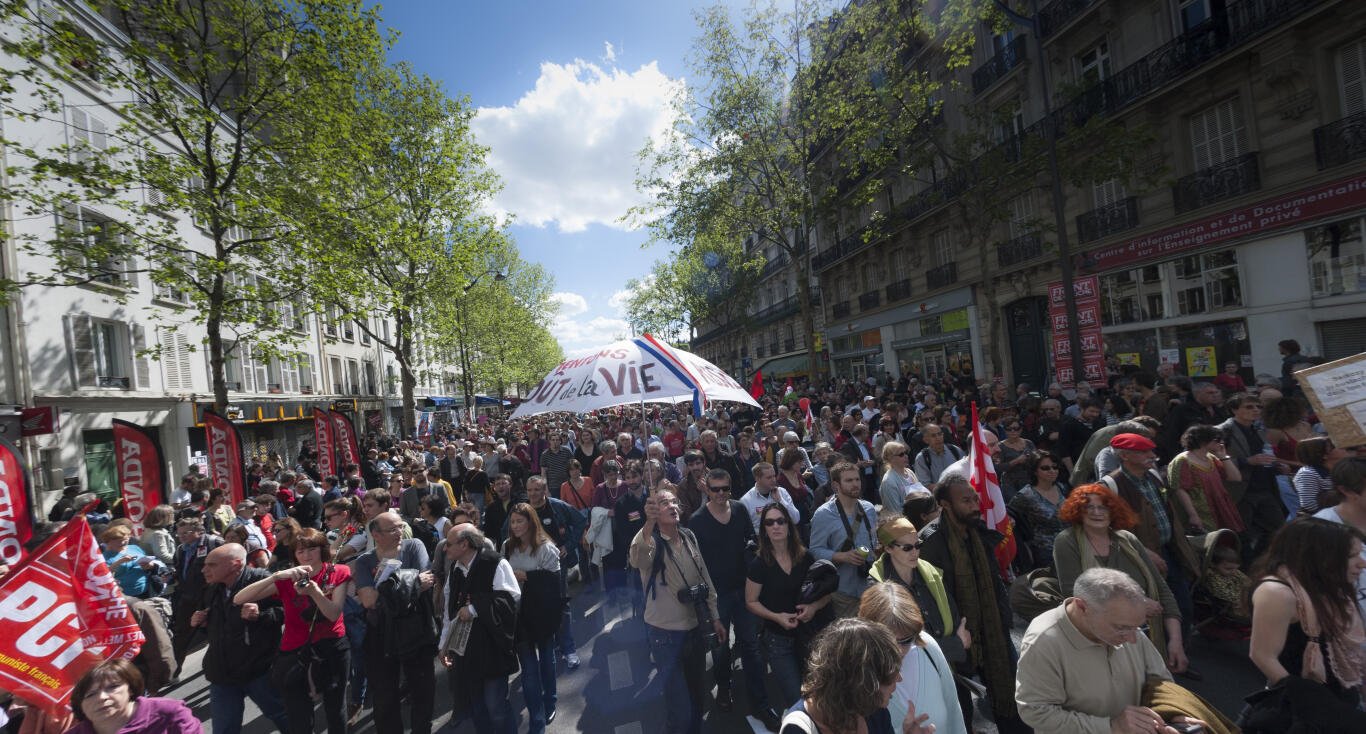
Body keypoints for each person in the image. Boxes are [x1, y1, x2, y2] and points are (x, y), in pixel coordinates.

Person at [1016, 568, 1203, 734]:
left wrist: (1171, 714)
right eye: (1121, 628)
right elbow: (1036, 712)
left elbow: (1159, 681)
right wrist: (1111, 727)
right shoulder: (1044, 641)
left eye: (1137, 627)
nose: (1132, 639)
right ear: (1082, 607)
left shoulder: (1127, 625)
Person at [917, 468, 1025, 733]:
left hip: (993, 631)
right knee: (960, 708)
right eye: (966, 501)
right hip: (956, 638)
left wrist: (1003, 617)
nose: (975, 505)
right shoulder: (929, 542)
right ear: (945, 504)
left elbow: (994, 581)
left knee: (1011, 697)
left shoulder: (979, 533)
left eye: (975, 499)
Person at [1053, 484, 1189, 675]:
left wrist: (1175, 642)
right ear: (1077, 512)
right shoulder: (1067, 541)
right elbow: (1074, 596)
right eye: (1088, 507)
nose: (1096, 512)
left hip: (1148, 640)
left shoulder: (1128, 540)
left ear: (1113, 511)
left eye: (1103, 507)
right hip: (1099, 644)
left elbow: (1162, 590)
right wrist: (1137, 605)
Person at [1247, 518, 1366, 729]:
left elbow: (1353, 654)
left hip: (1341, 702)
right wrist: (1317, 707)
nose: (1362, 562)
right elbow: (1263, 656)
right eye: (1352, 556)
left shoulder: (1330, 587)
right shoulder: (1278, 593)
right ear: (1320, 556)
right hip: (1301, 714)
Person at [234, 527, 351, 734]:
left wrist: (314, 591)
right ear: (294, 555)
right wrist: (275, 576)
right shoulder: (287, 578)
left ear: (322, 550)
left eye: (312, 549)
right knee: (298, 714)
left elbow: (333, 614)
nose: (307, 556)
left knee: (335, 707)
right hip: (295, 650)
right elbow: (239, 598)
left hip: (332, 646)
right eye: (300, 551)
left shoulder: (338, 572)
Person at [631, 488, 727, 734]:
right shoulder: (649, 539)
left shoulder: (688, 536)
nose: (672, 506)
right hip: (665, 635)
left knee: (697, 696)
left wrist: (715, 616)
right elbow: (639, 559)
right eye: (664, 503)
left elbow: (705, 577)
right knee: (679, 705)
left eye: (674, 502)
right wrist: (649, 523)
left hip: (695, 628)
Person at [687, 468, 772, 726]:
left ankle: (760, 701)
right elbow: (695, 562)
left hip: (745, 590)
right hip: (717, 596)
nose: (721, 494)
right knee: (721, 648)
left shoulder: (739, 510)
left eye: (725, 488)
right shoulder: (697, 520)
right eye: (715, 489)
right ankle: (724, 688)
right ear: (707, 490)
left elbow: (750, 539)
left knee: (751, 646)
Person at [353, 512, 436, 734]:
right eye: (393, 529)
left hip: (416, 630)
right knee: (385, 697)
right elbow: (368, 601)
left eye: (401, 526)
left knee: (422, 691)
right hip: (380, 634)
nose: (400, 532)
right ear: (376, 535)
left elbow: (427, 580)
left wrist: (385, 589)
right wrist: (411, 584)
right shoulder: (364, 561)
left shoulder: (414, 546)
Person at [779, 617, 935, 734]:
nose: (899, 678)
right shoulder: (797, 729)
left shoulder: (874, 711)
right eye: (888, 674)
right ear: (860, 683)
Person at [746, 501, 831, 713]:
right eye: (769, 522)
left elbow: (827, 595)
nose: (776, 526)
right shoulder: (759, 564)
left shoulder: (806, 557)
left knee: (819, 695)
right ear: (763, 529)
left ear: (788, 525)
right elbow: (751, 602)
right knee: (797, 700)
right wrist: (776, 617)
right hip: (778, 641)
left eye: (780, 521)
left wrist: (812, 608)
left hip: (809, 635)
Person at [194, 543, 288, 734]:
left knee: (284, 717)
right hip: (222, 674)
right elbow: (218, 627)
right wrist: (202, 623)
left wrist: (261, 615)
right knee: (223, 729)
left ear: (235, 565)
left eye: (211, 565)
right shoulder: (212, 589)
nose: (204, 570)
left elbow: (288, 612)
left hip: (259, 671)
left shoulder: (262, 581)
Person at [437, 523, 519, 734]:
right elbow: (449, 611)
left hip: (492, 650)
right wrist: (444, 644)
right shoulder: (455, 570)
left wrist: (475, 608)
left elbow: (510, 598)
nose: (445, 548)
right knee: (477, 707)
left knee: (496, 707)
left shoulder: (494, 563)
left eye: (449, 544)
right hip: (467, 653)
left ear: (464, 544)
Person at [859, 582, 966, 734]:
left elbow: (954, 710)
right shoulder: (858, 675)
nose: (899, 650)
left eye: (906, 640)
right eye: (890, 642)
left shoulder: (927, 647)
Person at [868, 516, 968, 670]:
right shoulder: (877, 586)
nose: (915, 552)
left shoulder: (930, 571)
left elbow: (953, 616)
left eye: (918, 545)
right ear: (888, 548)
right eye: (907, 548)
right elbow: (897, 647)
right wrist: (956, 644)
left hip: (946, 666)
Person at [809, 462, 879, 619]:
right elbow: (814, 550)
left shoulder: (868, 508)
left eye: (857, 479)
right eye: (849, 481)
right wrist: (842, 556)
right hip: (843, 592)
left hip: (871, 587)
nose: (855, 484)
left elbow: (873, 541)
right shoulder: (823, 514)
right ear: (836, 485)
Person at [64, 659, 198, 734]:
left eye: (112, 687)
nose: (102, 697)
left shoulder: (169, 712)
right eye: (91, 694)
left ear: (130, 688)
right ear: (79, 704)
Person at [169, 516, 224, 673]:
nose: (182, 537)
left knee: (216, 631)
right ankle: (174, 671)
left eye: (186, 533)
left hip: (212, 596)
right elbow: (179, 571)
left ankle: (219, 664)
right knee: (181, 634)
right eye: (179, 534)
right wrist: (171, 576)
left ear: (199, 531)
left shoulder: (214, 543)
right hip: (188, 597)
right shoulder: (181, 550)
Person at [1167, 424, 1244, 533]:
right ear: (1202, 440)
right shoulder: (1183, 460)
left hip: (1218, 507)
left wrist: (1223, 457)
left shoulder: (1211, 457)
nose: (1221, 443)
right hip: (1199, 511)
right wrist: (1193, 515)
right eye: (1217, 440)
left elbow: (1235, 477)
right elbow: (1180, 489)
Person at [1007, 451, 1070, 567]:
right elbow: (1009, 515)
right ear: (1035, 471)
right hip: (1045, 554)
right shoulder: (1026, 495)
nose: (1052, 471)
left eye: (1055, 467)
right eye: (1045, 468)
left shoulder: (1062, 487)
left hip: (1069, 547)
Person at [1294, 436, 1349, 515]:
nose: (1342, 447)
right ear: (1324, 455)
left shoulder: (1342, 468)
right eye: (1334, 446)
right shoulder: (1307, 473)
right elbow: (1309, 505)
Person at [740, 462, 800, 534]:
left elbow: (796, 519)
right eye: (769, 477)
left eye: (774, 476)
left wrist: (781, 501)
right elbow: (746, 530)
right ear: (757, 479)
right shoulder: (746, 501)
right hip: (762, 543)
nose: (774, 480)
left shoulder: (782, 492)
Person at [100, 525, 155, 599]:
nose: (123, 542)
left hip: (147, 589)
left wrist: (150, 565)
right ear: (108, 541)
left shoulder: (134, 548)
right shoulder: (104, 556)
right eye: (119, 541)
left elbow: (146, 559)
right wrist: (120, 561)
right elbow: (105, 574)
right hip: (126, 595)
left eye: (125, 539)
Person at [879, 441, 927, 520]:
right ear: (891, 458)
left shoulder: (909, 472)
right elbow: (895, 512)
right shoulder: (888, 482)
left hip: (920, 518)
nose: (906, 456)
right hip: (905, 525)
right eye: (901, 454)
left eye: (905, 453)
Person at [912, 424, 963, 491]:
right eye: (933, 436)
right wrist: (951, 489)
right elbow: (925, 485)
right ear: (925, 440)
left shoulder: (955, 450)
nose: (938, 438)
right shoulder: (922, 458)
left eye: (939, 434)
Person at [997, 419, 1036, 496]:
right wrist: (1016, 461)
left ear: (1021, 429)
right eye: (1009, 429)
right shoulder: (999, 447)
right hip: (1010, 484)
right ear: (1005, 430)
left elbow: (1038, 460)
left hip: (1029, 480)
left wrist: (1032, 458)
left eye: (1016, 428)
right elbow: (998, 467)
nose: (1013, 431)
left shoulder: (1029, 443)